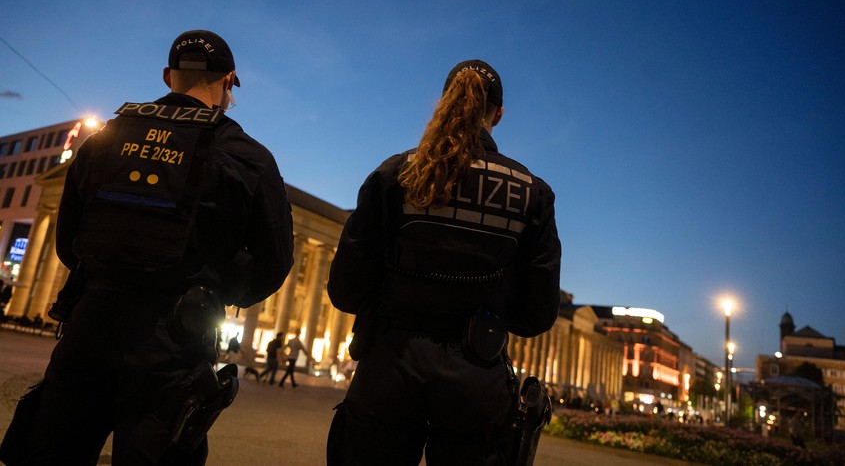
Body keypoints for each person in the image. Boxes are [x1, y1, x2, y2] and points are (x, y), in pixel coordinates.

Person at [0, 29, 293, 466]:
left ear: (166, 76)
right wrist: (215, 292)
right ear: (229, 80)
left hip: (90, 326)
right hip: (175, 341)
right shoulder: (247, 156)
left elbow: (69, 239)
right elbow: (275, 261)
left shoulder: (105, 139)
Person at [326, 60, 561, 465]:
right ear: (498, 115)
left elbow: (346, 288)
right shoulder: (531, 192)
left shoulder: (395, 173)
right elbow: (537, 314)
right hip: (477, 374)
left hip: (390, 366)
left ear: (443, 103)